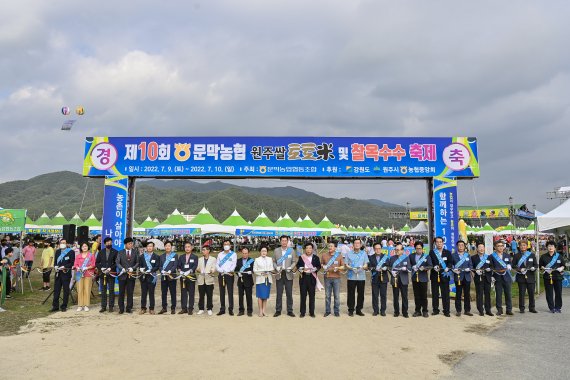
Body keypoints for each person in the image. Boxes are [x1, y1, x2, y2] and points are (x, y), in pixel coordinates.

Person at [296, 242, 322, 318]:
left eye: (310, 248)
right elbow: (298, 266)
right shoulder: (301, 257)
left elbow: (319, 266)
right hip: (303, 278)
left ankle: (312, 312)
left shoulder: (316, 257)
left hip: (312, 278)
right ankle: (302, 312)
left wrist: (315, 268)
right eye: (307, 248)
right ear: (305, 249)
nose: (308, 250)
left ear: (312, 249)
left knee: (312, 296)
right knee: (303, 296)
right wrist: (301, 269)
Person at [539, 241, 566, 313]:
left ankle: (558, 307)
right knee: (549, 293)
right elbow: (540, 266)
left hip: (557, 277)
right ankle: (551, 307)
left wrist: (561, 268)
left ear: (554, 247)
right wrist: (544, 268)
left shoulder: (559, 256)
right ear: (547, 247)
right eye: (549, 246)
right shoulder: (543, 256)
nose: (550, 247)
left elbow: (563, 265)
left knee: (558, 292)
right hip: (548, 277)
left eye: (552, 246)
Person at [273, 235, 296, 317]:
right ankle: (278, 310)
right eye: (282, 240)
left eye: (285, 240)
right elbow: (274, 261)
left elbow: (294, 261)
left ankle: (290, 310)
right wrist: (276, 267)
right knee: (279, 293)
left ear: (288, 241)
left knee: (289, 293)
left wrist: (291, 267)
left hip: (288, 274)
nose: (284, 242)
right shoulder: (276, 250)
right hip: (279, 273)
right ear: (280, 241)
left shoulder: (291, 251)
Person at [429, 236, 453, 317]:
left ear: (443, 243)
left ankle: (446, 311)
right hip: (435, 276)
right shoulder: (432, 252)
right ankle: (435, 310)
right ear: (435, 243)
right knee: (435, 294)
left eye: (440, 242)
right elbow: (430, 262)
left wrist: (448, 267)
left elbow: (450, 262)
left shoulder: (447, 252)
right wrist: (433, 266)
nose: (439, 243)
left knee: (445, 294)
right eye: (437, 242)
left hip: (444, 276)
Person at [345, 238, 369, 316]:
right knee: (351, 293)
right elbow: (346, 265)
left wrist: (362, 267)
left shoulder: (364, 253)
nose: (357, 244)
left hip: (361, 277)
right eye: (355, 243)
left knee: (361, 294)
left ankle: (359, 309)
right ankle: (351, 310)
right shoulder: (348, 253)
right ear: (353, 245)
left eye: (358, 243)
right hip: (351, 276)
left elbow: (366, 264)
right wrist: (351, 268)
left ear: (361, 245)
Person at [50, 239, 75, 312]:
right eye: (61, 243)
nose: (63, 244)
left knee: (65, 290)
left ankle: (64, 306)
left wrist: (64, 266)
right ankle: (55, 306)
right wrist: (55, 266)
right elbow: (55, 262)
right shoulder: (57, 251)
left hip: (66, 273)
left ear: (67, 244)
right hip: (58, 273)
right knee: (56, 290)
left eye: (64, 243)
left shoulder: (71, 252)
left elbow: (72, 263)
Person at [116, 237, 139, 314]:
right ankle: (121, 308)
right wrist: (121, 268)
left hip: (131, 275)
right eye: (129, 244)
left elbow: (137, 262)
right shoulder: (120, 252)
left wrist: (133, 268)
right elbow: (117, 262)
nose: (131, 245)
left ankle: (129, 307)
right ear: (125, 244)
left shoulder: (135, 252)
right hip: (122, 275)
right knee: (121, 292)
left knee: (130, 292)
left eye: (131, 243)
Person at [321, 241, 345, 317]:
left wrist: (338, 268)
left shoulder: (339, 256)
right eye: (329, 246)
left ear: (335, 247)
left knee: (336, 296)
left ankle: (336, 311)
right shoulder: (324, 255)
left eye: (331, 246)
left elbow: (343, 266)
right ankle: (327, 311)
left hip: (336, 278)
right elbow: (321, 265)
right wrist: (323, 266)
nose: (330, 247)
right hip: (327, 277)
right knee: (327, 295)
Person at [513, 241, 538, 313]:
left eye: (524, 245)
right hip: (521, 277)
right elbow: (513, 265)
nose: (523, 247)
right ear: (519, 246)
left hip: (530, 276)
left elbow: (536, 265)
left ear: (527, 246)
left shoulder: (532, 255)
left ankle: (532, 308)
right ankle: (521, 308)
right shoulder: (516, 255)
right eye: (521, 245)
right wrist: (520, 269)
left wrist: (534, 268)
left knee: (531, 293)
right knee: (521, 293)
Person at [490, 240, 513, 316]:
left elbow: (510, 263)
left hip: (506, 277)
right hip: (497, 277)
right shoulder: (492, 256)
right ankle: (499, 309)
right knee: (498, 294)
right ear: (495, 247)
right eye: (498, 246)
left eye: (501, 246)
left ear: (504, 247)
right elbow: (490, 266)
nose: (500, 247)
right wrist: (492, 276)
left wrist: (510, 265)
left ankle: (509, 309)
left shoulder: (507, 255)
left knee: (508, 294)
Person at [410, 241, 432, 318]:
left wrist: (424, 268)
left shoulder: (426, 256)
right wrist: (412, 267)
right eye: (417, 248)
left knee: (424, 295)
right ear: (415, 249)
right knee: (416, 295)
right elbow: (409, 266)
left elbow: (430, 266)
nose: (418, 250)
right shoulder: (411, 256)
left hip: (423, 278)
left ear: (422, 249)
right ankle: (417, 311)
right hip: (414, 278)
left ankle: (425, 311)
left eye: (420, 248)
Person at [95, 237, 118, 313]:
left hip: (111, 274)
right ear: (104, 244)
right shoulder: (101, 252)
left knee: (111, 290)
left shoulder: (115, 252)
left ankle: (111, 306)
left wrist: (110, 268)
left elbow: (116, 263)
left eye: (110, 242)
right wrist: (101, 268)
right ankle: (103, 306)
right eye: (107, 242)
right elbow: (97, 262)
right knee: (103, 290)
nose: (109, 244)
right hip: (102, 274)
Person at [471, 243, 493, 316]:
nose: (481, 249)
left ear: (484, 248)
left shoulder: (489, 257)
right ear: (477, 249)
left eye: (482, 247)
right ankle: (480, 310)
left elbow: (492, 266)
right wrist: (475, 271)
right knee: (479, 294)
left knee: (487, 294)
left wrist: (490, 269)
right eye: (479, 247)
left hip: (487, 278)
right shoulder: (473, 257)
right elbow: (471, 267)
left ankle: (488, 310)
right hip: (478, 278)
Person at [451, 240, 473, 317]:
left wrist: (469, 269)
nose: (460, 246)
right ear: (457, 246)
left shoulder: (468, 255)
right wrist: (454, 270)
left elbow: (471, 265)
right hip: (458, 277)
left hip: (467, 277)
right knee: (458, 294)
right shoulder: (453, 255)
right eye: (459, 245)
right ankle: (458, 310)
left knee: (467, 294)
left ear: (464, 246)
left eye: (462, 245)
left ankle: (467, 310)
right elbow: (451, 265)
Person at [215, 239, 237, 316]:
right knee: (222, 292)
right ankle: (222, 309)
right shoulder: (220, 254)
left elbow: (234, 265)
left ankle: (230, 309)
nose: (226, 245)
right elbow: (217, 265)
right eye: (225, 244)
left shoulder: (233, 254)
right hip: (221, 275)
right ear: (223, 245)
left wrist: (228, 271)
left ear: (230, 245)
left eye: (227, 244)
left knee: (230, 292)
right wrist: (222, 270)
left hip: (229, 275)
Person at [389, 243, 411, 318]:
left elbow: (410, 269)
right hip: (394, 279)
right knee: (395, 297)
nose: (397, 251)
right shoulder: (392, 258)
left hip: (403, 280)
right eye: (396, 249)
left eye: (398, 250)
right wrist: (391, 272)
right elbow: (389, 267)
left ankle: (405, 312)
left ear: (402, 250)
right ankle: (396, 311)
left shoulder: (406, 258)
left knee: (404, 296)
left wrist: (406, 269)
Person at [73, 242, 96, 312]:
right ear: (81, 248)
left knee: (87, 289)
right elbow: (75, 264)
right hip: (79, 274)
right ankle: (80, 305)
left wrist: (87, 267)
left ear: (88, 247)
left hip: (88, 274)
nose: (84, 247)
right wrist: (78, 268)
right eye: (83, 246)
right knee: (79, 289)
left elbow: (93, 265)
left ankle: (86, 305)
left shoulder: (91, 255)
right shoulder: (78, 256)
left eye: (86, 246)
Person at [369, 242, 389, 317]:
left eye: (379, 248)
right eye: (376, 249)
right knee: (375, 295)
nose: (378, 250)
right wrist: (374, 269)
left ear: (381, 249)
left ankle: (383, 310)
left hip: (384, 278)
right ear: (374, 249)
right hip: (374, 278)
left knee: (383, 295)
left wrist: (385, 268)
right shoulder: (370, 257)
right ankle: (375, 310)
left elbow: (388, 266)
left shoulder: (385, 257)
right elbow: (369, 267)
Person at [177, 241, 198, 315]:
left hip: (191, 277)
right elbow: (178, 266)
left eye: (189, 247)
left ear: (191, 247)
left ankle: (190, 308)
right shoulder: (181, 256)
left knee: (191, 293)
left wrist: (189, 271)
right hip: (183, 277)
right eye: (186, 247)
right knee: (183, 293)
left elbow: (195, 266)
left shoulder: (195, 257)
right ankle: (184, 308)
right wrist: (180, 271)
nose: (187, 248)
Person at [139, 241, 160, 315]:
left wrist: (151, 270)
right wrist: (141, 269)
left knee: (151, 293)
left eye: (151, 246)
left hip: (152, 277)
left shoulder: (156, 256)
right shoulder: (142, 256)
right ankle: (143, 308)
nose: (149, 247)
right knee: (143, 293)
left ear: (153, 247)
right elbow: (140, 265)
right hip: (144, 277)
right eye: (148, 246)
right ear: (146, 247)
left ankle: (151, 308)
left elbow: (157, 266)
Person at [158, 241, 178, 314]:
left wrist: (170, 271)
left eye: (169, 246)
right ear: (164, 247)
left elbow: (175, 265)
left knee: (173, 292)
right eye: (166, 246)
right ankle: (164, 307)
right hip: (163, 277)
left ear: (171, 247)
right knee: (163, 293)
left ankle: (173, 308)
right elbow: (160, 266)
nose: (167, 247)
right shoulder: (161, 256)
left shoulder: (175, 255)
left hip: (171, 276)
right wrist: (162, 271)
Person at [253, 244, 273, 317]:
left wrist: (268, 271)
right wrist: (262, 272)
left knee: (265, 296)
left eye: (265, 251)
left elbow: (271, 268)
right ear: (260, 252)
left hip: (268, 279)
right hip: (260, 279)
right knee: (260, 296)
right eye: (262, 251)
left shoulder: (270, 259)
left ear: (267, 252)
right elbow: (255, 270)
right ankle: (260, 311)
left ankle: (264, 311)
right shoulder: (257, 259)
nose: (264, 252)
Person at [197, 245, 217, 316]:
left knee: (209, 295)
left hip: (209, 279)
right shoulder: (200, 259)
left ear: (208, 251)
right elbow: (197, 268)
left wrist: (210, 271)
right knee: (201, 295)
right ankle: (201, 308)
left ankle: (209, 308)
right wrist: (201, 270)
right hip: (201, 279)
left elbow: (214, 268)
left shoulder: (213, 259)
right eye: (202, 250)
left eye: (204, 250)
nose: (203, 251)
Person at [236, 247, 254, 317]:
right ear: (241, 253)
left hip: (248, 281)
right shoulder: (238, 261)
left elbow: (254, 269)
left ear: (248, 253)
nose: (244, 255)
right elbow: (236, 269)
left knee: (249, 296)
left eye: (246, 253)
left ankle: (249, 311)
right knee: (240, 296)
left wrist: (251, 272)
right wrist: (238, 274)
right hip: (240, 280)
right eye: (243, 253)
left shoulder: (251, 260)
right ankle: (241, 310)